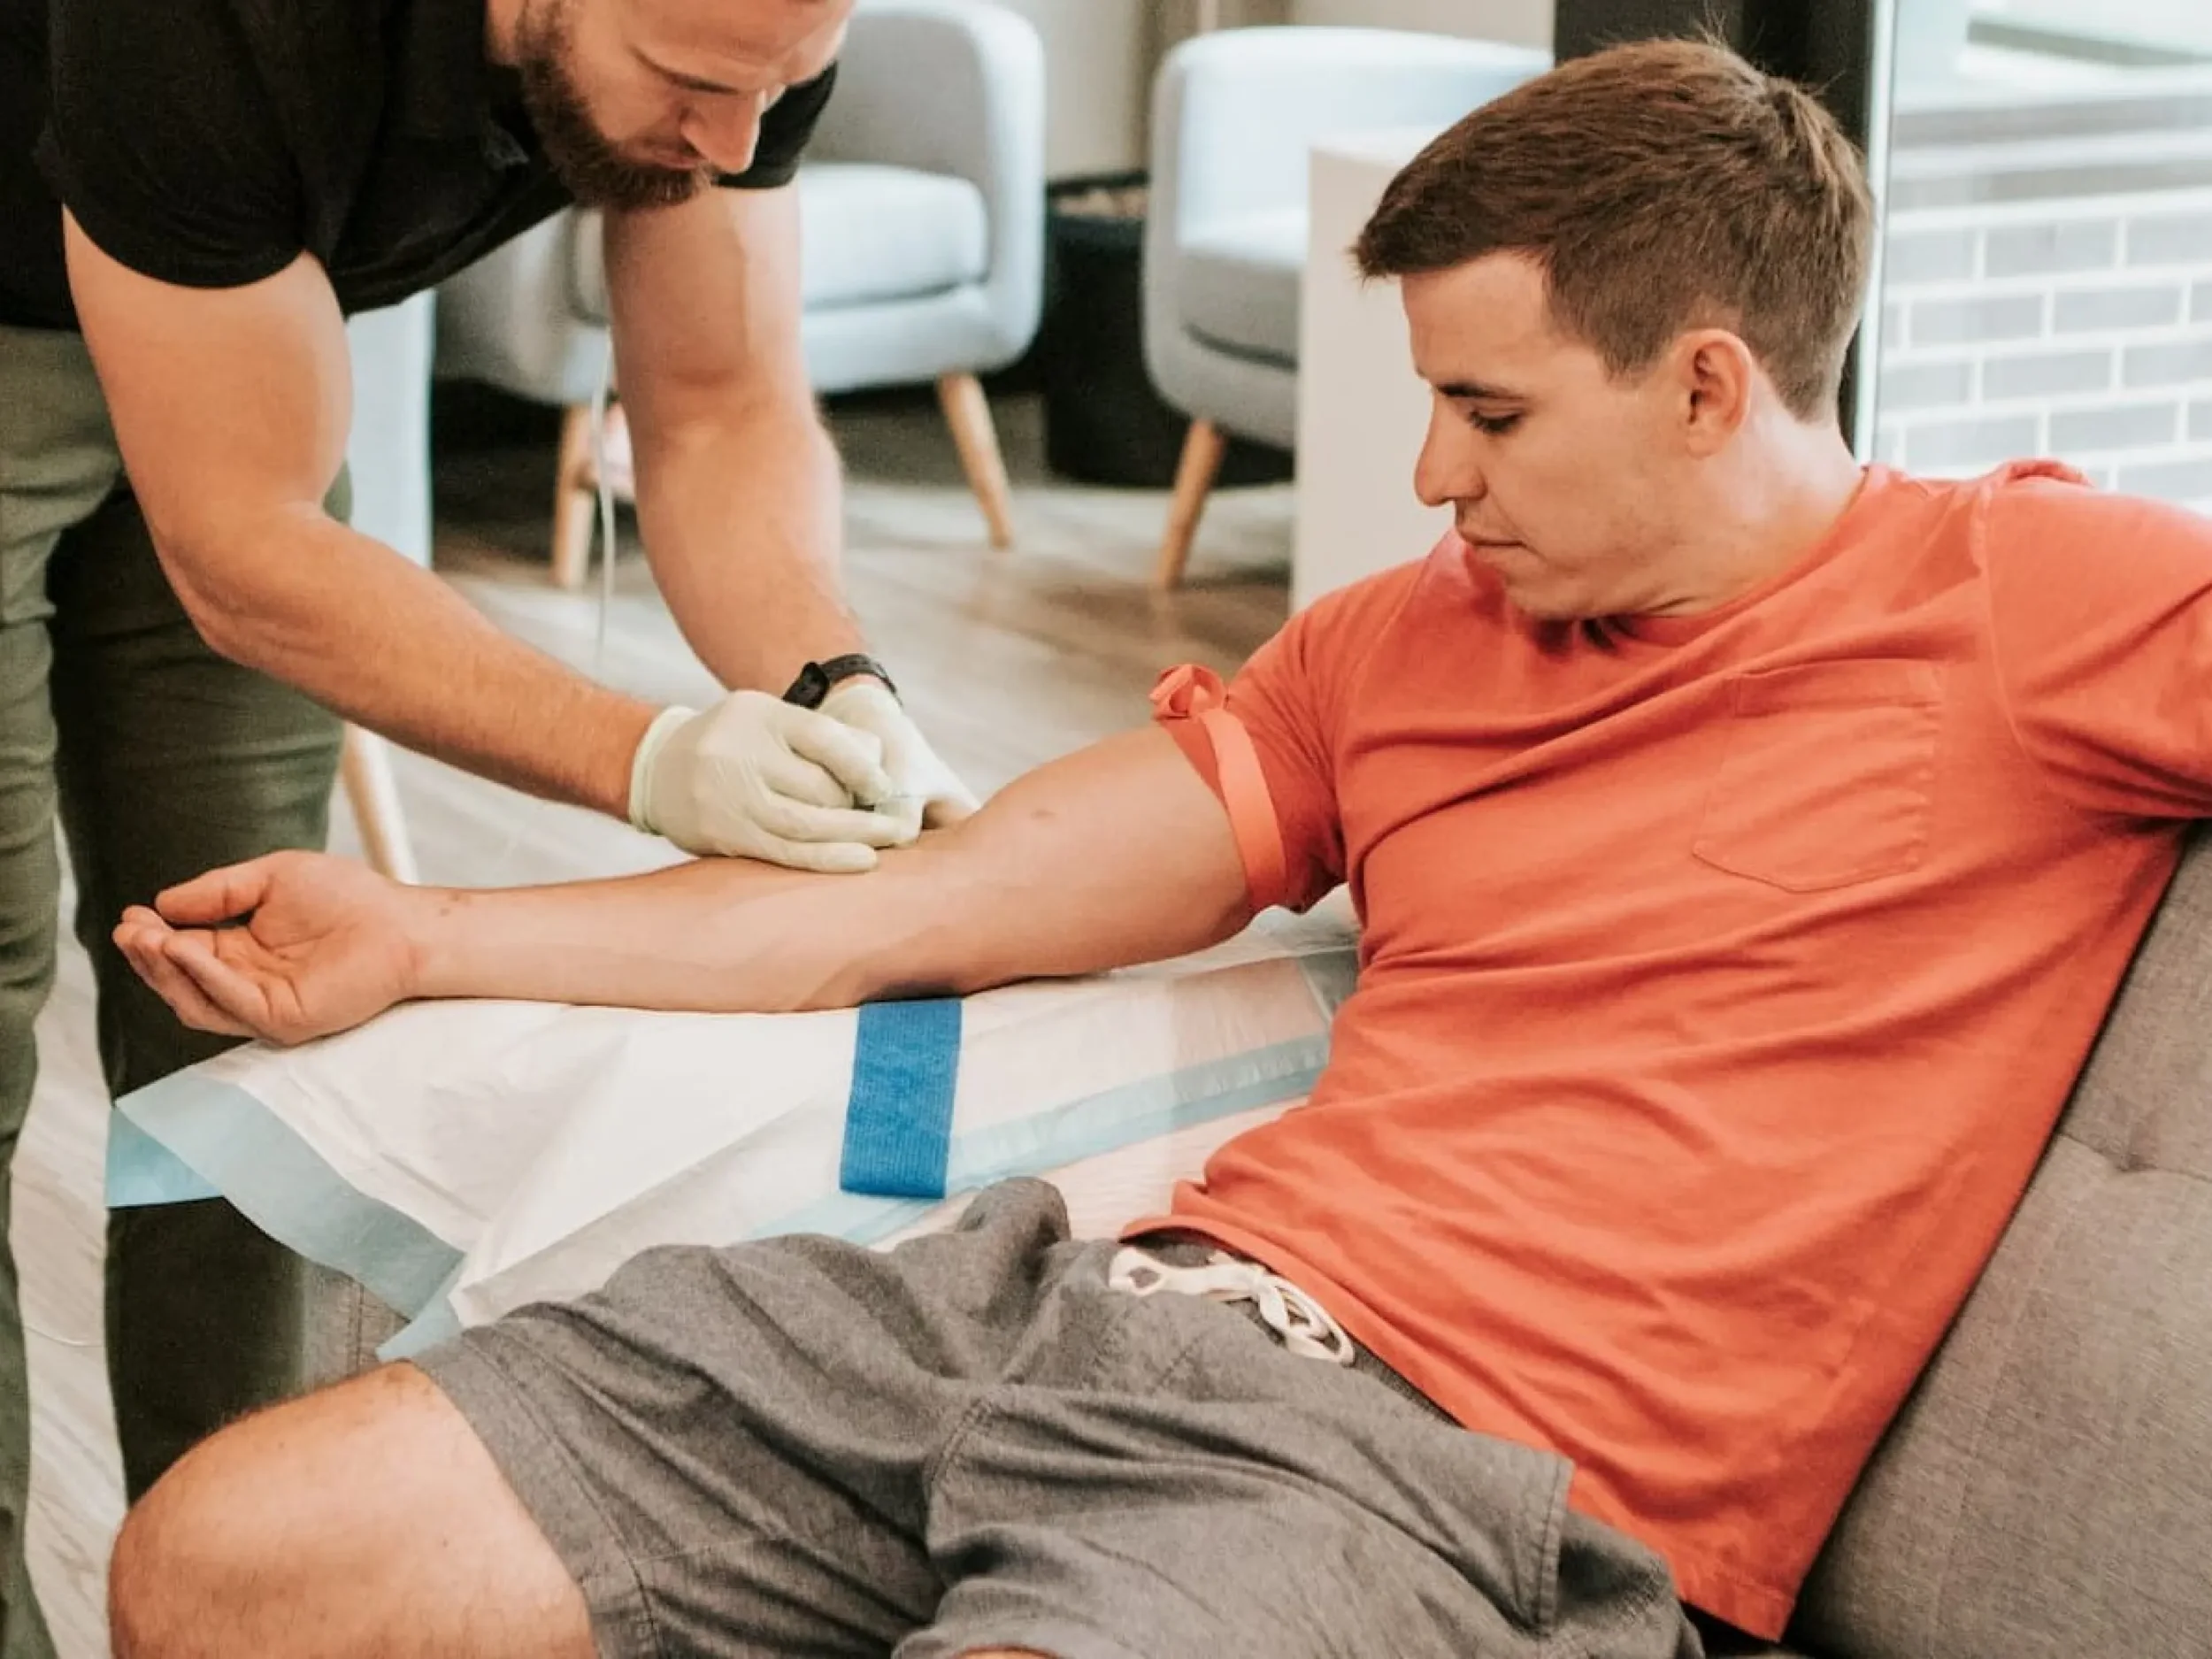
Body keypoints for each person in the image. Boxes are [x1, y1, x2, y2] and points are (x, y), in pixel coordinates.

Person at [105, 35, 2212, 1659]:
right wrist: (427, 934)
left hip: (1444, 1477)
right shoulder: (1399, 640)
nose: (1422, 472)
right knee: (226, 1555)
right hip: (1071, 1301)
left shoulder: (2029, 604)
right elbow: (935, 901)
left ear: (1703, 386)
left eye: (1487, 413)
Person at [1, 0, 972, 1643]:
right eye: (690, 88)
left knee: (248, 1035)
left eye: (781, 95)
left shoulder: (744, 32)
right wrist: (649, 758)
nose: (736, 144)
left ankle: (233, 1601)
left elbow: (723, 404)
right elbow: (236, 541)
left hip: (234, 315)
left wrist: (832, 679)